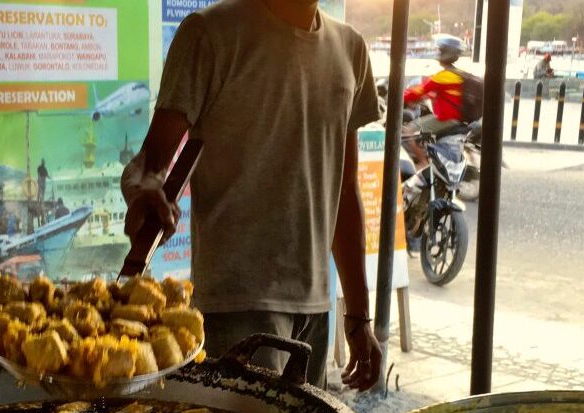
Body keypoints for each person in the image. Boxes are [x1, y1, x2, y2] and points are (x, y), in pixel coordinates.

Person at [121, 0, 382, 391]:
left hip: (315, 308)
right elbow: (152, 160)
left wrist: (359, 315)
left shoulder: (351, 49)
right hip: (235, 304)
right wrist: (144, 188)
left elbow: (345, 190)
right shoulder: (209, 35)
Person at [401, 35, 466, 170]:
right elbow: (446, 94)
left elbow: (419, 90)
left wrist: (398, 97)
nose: (438, 54)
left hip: (446, 118)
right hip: (456, 117)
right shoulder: (457, 74)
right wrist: (428, 96)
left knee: (409, 130)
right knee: (424, 131)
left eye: (440, 51)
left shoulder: (443, 76)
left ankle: (423, 162)